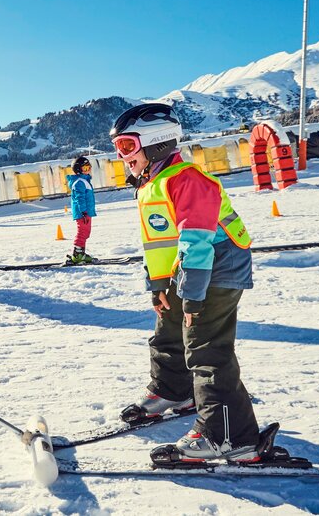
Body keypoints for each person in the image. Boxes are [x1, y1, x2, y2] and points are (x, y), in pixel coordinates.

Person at [110, 102, 261, 463]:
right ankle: (173, 390)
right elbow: (159, 244)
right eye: (119, 149)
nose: (122, 157)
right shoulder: (153, 183)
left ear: (156, 142)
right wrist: (158, 287)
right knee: (168, 326)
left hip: (217, 272)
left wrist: (192, 298)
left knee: (207, 348)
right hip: (188, 272)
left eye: (127, 147)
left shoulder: (187, 179)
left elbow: (196, 243)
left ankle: (230, 436)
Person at [65, 156, 97, 265]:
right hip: (83, 213)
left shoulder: (84, 180)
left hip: (86, 212)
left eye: (89, 168)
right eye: (85, 168)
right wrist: (83, 211)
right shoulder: (79, 182)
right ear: (79, 170)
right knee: (82, 232)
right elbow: (80, 198)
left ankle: (81, 253)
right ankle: (77, 255)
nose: (88, 171)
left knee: (86, 233)